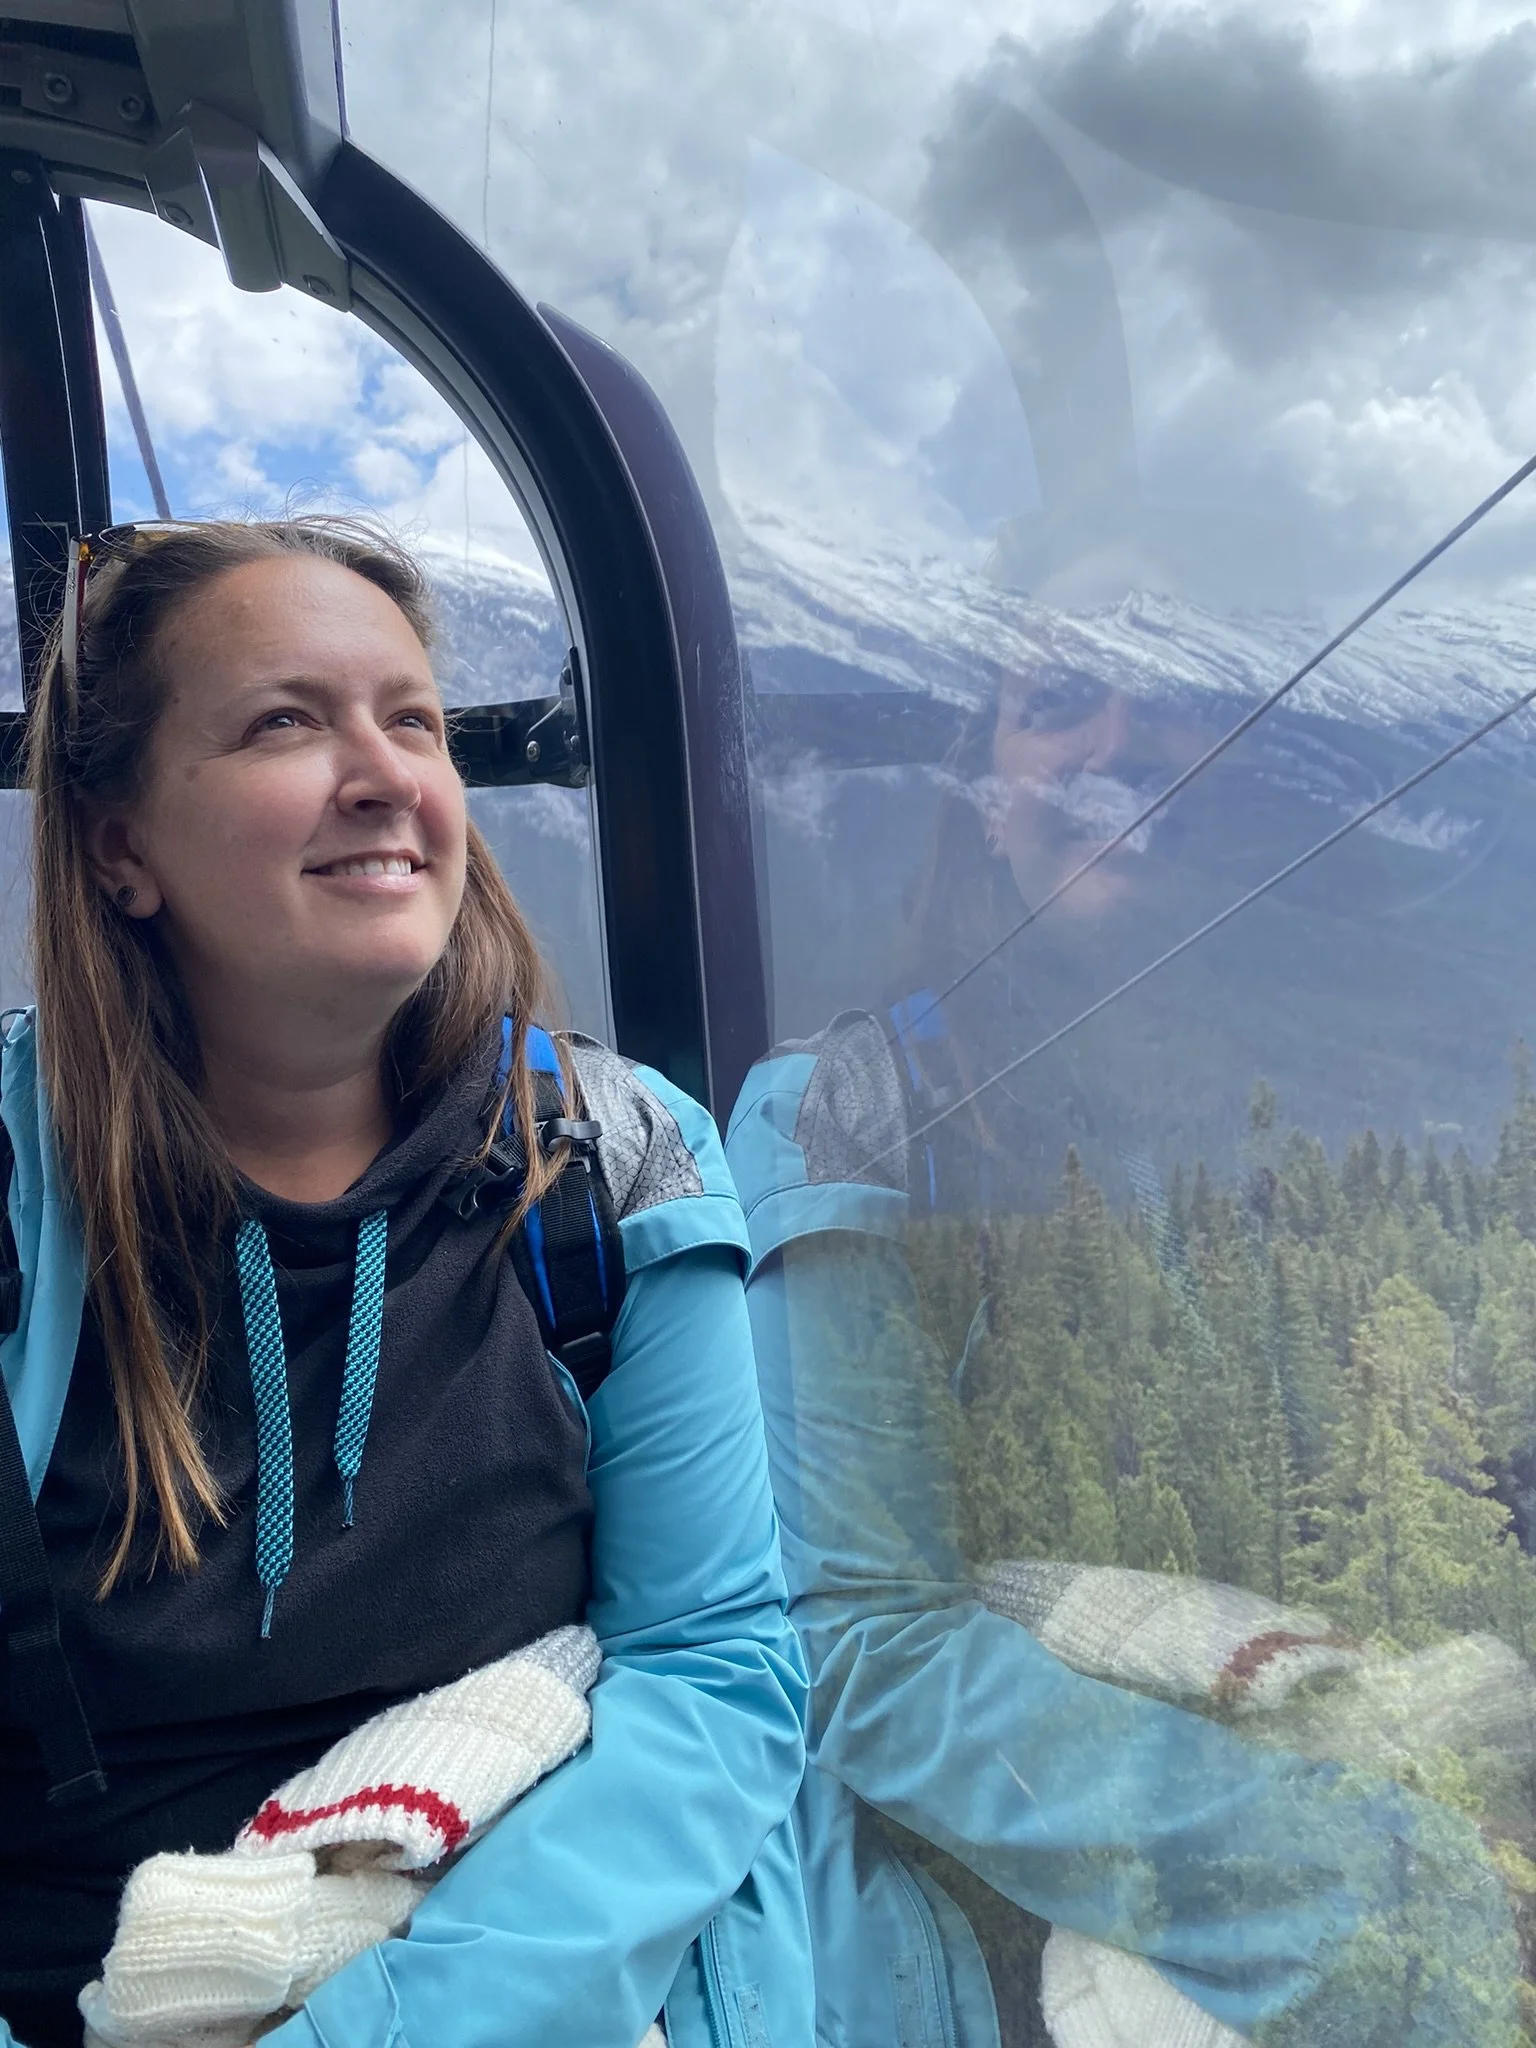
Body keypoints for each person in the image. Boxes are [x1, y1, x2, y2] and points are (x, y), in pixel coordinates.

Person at [0, 518, 812, 2048]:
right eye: (288, 721)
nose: (388, 776)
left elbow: (712, 1667)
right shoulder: (18, 1203)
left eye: (415, 719)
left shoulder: (611, 1170)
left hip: (512, 1991)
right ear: (119, 844)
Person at [726, 664, 1523, 2048]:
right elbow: (854, 1642)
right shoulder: (844, 1112)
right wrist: (1391, 1861)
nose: (1122, 744)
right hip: (941, 1949)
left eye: (1175, 696)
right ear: (979, 793)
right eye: (1064, 697)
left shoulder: (1202, 1122)